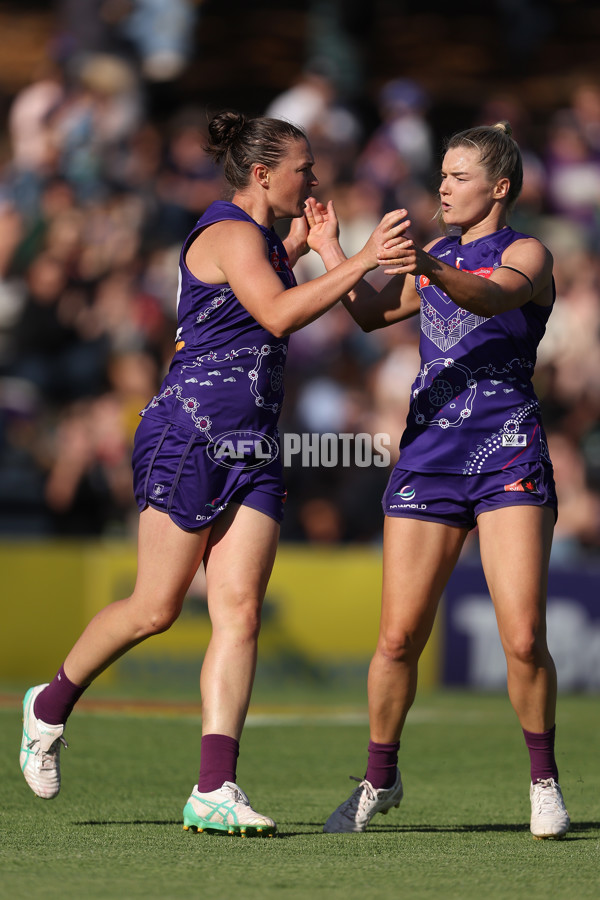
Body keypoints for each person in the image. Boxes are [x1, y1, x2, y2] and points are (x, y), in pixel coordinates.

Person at [19, 110, 406, 836]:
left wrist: (317, 246)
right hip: (189, 434)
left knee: (241, 613)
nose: (314, 179)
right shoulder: (227, 231)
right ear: (263, 174)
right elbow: (279, 313)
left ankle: (213, 787)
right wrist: (356, 260)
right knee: (155, 608)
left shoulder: (259, 239)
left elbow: (274, 291)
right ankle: (48, 705)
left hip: (252, 443)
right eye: (304, 168)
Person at [305, 121, 570, 840]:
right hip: (428, 455)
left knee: (522, 636)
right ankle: (379, 778)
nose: (443, 187)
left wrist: (424, 262)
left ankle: (544, 782)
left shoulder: (528, 252)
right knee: (395, 640)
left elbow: (490, 298)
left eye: (458, 176)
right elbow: (365, 315)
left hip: (508, 449)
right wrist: (333, 247)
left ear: (500, 187)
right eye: (443, 174)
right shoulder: (436, 256)